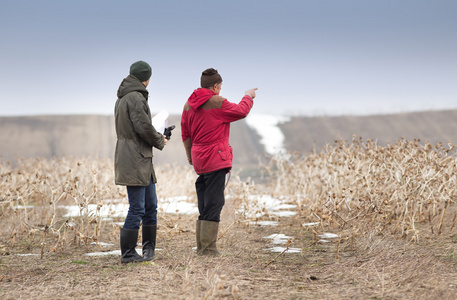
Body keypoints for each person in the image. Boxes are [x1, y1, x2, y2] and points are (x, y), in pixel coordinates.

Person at [181, 68, 257, 256]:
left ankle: (202, 246)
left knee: (205, 201)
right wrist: (248, 97)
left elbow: (185, 133)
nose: (221, 90)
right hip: (216, 158)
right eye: (220, 86)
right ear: (215, 86)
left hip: (199, 159)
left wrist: (191, 156)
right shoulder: (217, 102)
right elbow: (241, 111)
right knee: (215, 202)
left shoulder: (188, 105)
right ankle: (208, 249)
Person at [114, 60, 168, 263]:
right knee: (138, 207)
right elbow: (143, 128)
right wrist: (159, 139)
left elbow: (141, 126)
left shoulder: (124, 97)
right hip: (135, 157)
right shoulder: (135, 97)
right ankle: (128, 253)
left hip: (140, 157)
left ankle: (148, 250)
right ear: (147, 78)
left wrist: (157, 136)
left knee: (150, 205)